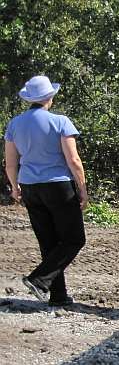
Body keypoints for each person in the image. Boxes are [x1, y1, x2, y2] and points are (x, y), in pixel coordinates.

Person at [3, 75, 88, 306]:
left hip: (30, 186)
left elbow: (10, 162)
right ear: (49, 97)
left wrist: (14, 187)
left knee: (48, 241)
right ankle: (39, 280)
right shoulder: (60, 122)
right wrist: (82, 187)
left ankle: (58, 296)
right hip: (58, 185)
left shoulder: (14, 124)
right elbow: (73, 159)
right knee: (74, 239)